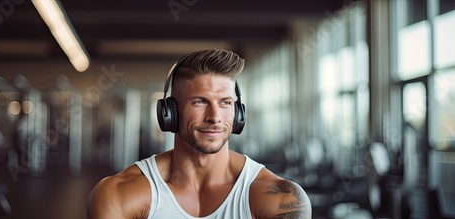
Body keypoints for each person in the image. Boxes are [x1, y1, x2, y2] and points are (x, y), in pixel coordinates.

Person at [87, 49, 311, 219]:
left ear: (238, 112)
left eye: (225, 103)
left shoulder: (281, 199)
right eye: (199, 102)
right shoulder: (119, 194)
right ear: (170, 112)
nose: (215, 117)